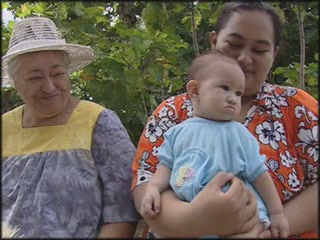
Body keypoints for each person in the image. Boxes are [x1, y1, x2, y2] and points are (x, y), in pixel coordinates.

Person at [131, 1, 318, 238]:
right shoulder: (171, 112)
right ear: (213, 42)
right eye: (233, 44)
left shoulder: (297, 107)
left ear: (275, 54)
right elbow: (146, 181)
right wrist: (194, 220)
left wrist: (265, 230)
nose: (244, 59)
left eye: (260, 50)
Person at [1, 16, 140, 238]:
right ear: (16, 84)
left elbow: (123, 213)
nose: (49, 87)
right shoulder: (4, 127)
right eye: (35, 78)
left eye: (57, 74)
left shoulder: (98, 122)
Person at [140, 51, 289, 238]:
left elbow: (260, 175)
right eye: (225, 88)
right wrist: (153, 188)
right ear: (195, 91)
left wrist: (277, 213)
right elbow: (166, 167)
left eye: (238, 93)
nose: (233, 98)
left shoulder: (239, 134)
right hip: (190, 220)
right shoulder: (176, 133)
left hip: (238, 221)